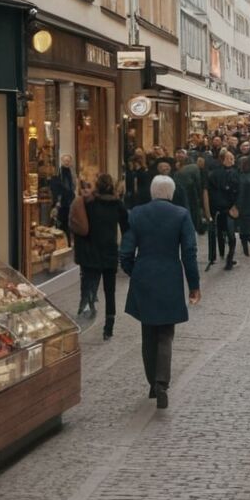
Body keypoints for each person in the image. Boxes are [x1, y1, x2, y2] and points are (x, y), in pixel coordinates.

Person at [119, 175, 202, 409]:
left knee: (148, 332)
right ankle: (161, 382)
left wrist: (134, 272)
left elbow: (125, 252)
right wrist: (194, 285)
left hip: (144, 275)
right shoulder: (181, 215)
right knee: (166, 332)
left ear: (153, 192)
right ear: (171, 193)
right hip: (169, 276)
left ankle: (152, 383)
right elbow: (189, 252)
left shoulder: (137, 213)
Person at [73, 174, 129, 340]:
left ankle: (84, 319)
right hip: (110, 252)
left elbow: (82, 228)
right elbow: (126, 228)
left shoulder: (90, 204)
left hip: (91, 253)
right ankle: (108, 327)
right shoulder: (118, 204)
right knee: (110, 291)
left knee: (89, 287)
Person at [205, 149, 240, 270]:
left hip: (219, 209)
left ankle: (223, 256)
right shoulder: (231, 173)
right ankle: (228, 258)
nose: (232, 160)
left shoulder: (214, 174)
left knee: (222, 233)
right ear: (223, 159)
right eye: (230, 158)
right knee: (230, 235)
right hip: (227, 208)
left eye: (232, 158)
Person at [48, 154, 76, 245]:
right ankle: (63, 244)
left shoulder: (72, 173)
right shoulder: (58, 173)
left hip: (69, 202)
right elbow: (57, 189)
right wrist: (57, 202)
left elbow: (73, 187)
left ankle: (67, 243)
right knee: (61, 223)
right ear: (62, 161)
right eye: (65, 161)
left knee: (69, 223)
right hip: (61, 203)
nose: (67, 162)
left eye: (68, 161)